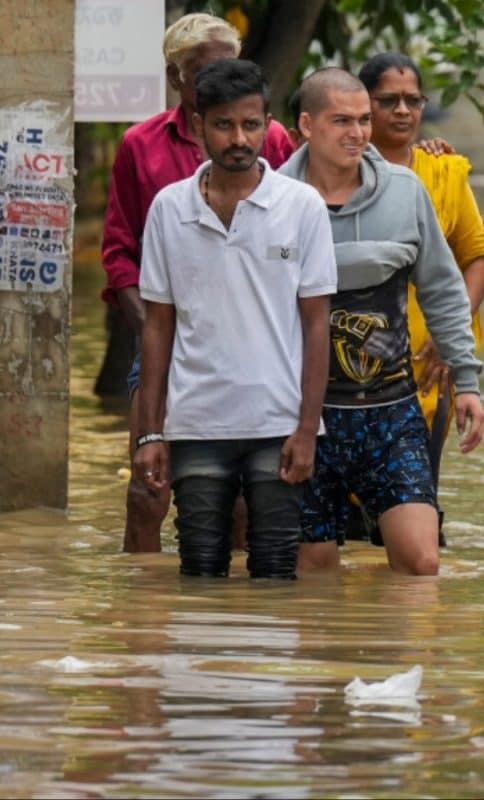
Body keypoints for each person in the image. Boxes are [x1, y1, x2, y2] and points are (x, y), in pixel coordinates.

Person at [278, 68, 484, 575]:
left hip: (392, 414)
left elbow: (441, 287)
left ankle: (409, 656)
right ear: (306, 125)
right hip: (305, 418)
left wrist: (468, 381)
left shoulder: (404, 191)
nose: (359, 133)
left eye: (364, 121)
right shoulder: (274, 200)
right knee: (314, 571)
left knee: (421, 563)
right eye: (342, 121)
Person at [133, 59, 336, 579]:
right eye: (224, 124)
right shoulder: (168, 209)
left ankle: (262, 665)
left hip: (279, 422)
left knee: (274, 568)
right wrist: (150, 433)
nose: (238, 138)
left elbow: (317, 322)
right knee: (199, 568)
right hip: (197, 422)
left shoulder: (302, 206)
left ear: (268, 124)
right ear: (199, 125)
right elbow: (158, 325)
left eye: (251, 124)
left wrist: (308, 428)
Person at [102, 12, 295, 554]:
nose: (219, 83)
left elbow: (320, 194)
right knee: (147, 490)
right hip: (166, 337)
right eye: (205, 73)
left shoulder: (272, 139)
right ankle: (144, 607)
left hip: (252, 344)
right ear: (176, 79)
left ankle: (227, 616)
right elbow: (120, 255)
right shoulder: (141, 146)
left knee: (239, 502)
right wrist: (157, 327)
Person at [357, 52, 484, 542]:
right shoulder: (336, 170)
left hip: (428, 364)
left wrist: (447, 333)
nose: (401, 111)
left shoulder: (445, 170)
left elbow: (477, 256)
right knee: (341, 516)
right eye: (387, 100)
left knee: (413, 498)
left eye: (412, 101)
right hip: (347, 366)